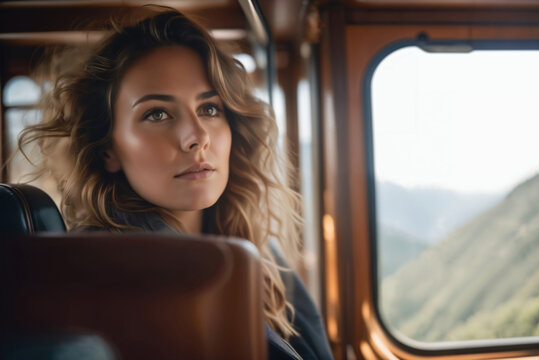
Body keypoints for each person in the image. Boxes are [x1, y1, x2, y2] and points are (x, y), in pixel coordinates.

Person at [17, 8, 332, 360]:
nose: (196, 137)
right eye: (157, 114)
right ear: (109, 149)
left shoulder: (258, 253)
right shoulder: (108, 279)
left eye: (210, 109)